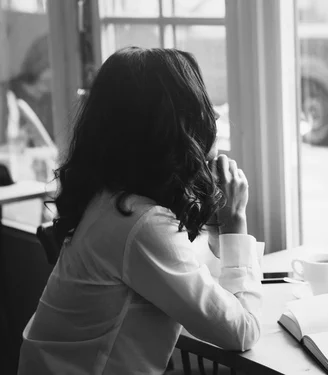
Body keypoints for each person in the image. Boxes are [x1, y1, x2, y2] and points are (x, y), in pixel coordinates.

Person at [17, 47, 262, 375]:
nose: (214, 116)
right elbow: (242, 331)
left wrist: (217, 222)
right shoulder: (140, 223)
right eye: (199, 102)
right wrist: (235, 222)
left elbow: (189, 276)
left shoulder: (109, 198)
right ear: (166, 123)